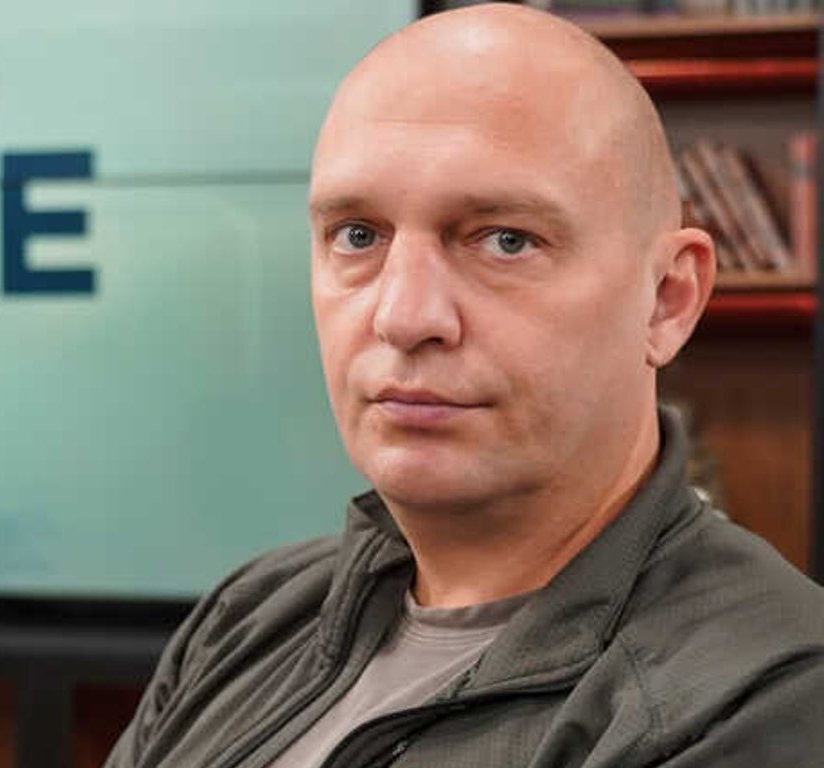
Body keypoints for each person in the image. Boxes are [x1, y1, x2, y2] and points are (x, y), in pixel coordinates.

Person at [104, 4, 824, 767]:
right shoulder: (246, 619)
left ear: (667, 300)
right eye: (358, 235)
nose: (404, 316)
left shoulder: (764, 696)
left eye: (506, 241)